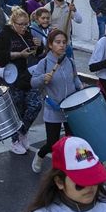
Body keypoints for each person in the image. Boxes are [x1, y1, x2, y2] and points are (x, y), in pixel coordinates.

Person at [29, 28, 82, 173]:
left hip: (70, 108)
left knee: (73, 139)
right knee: (52, 142)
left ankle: (73, 166)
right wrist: (42, 78)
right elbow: (33, 82)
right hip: (54, 108)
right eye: (58, 42)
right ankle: (40, 155)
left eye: (64, 42)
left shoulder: (70, 61)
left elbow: (75, 77)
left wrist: (80, 86)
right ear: (50, 45)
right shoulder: (44, 63)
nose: (62, 45)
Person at [0, 7, 44, 155]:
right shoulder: (4, 36)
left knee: (35, 104)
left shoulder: (28, 34)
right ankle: (15, 140)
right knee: (17, 110)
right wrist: (18, 55)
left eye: (26, 24)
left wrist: (38, 46)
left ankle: (23, 132)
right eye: (21, 24)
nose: (24, 27)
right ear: (13, 22)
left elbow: (36, 53)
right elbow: (0, 57)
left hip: (28, 75)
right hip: (11, 77)